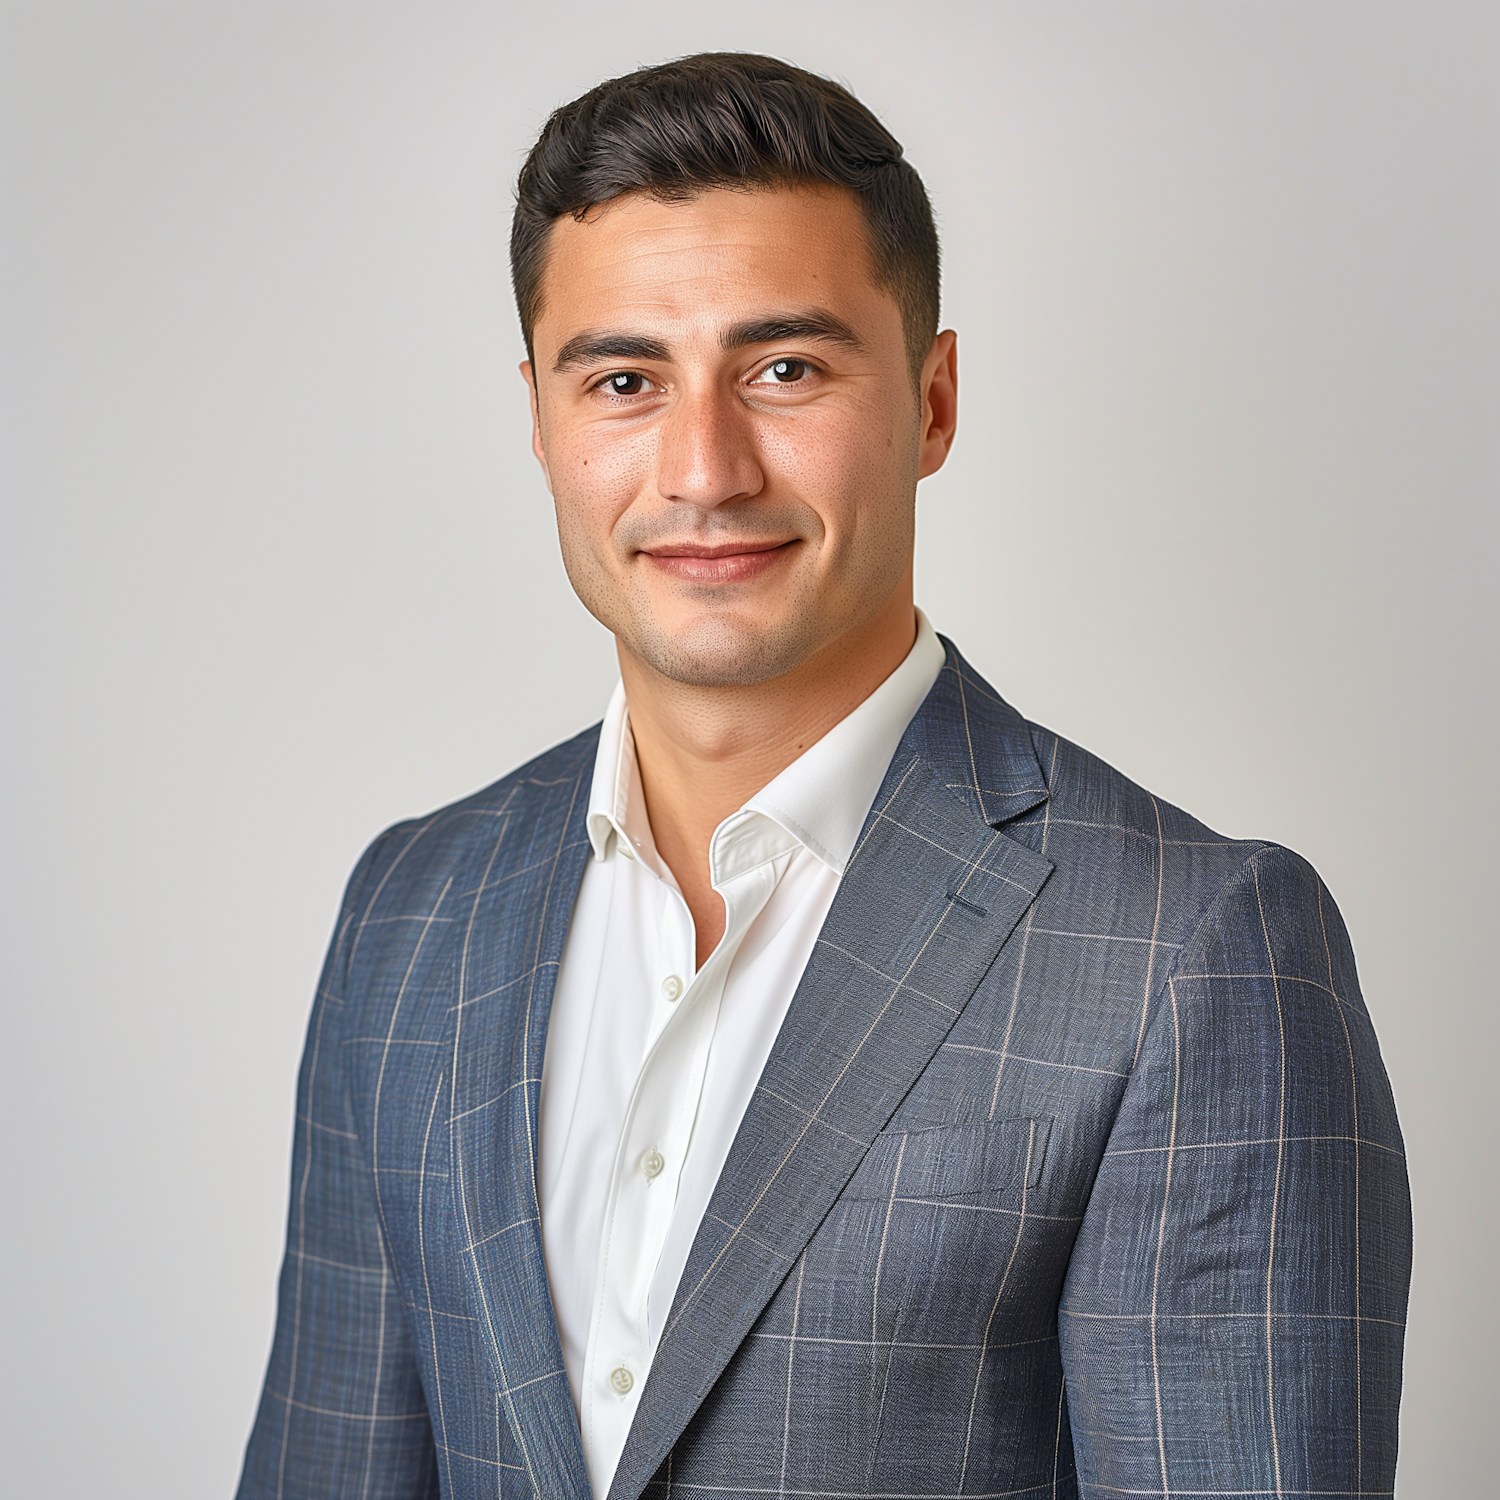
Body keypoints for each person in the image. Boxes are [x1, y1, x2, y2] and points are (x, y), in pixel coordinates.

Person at [236, 52, 1410, 1500]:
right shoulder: (409, 915)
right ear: (540, 422)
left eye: (784, 368)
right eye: (624, 379)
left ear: (931, 401)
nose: (705, 468)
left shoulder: (1197, 949)